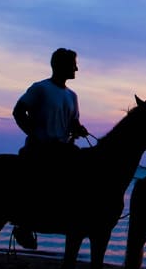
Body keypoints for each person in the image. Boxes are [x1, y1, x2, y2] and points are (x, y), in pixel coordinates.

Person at [10, 48, 89, 249]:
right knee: (37, 182)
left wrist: (78, 129)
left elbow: (72, 122)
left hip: (63, 148)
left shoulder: (73, 96)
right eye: (73, 65)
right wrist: (35, 135)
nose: (76, 69)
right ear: (60, 65)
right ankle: (24, 225)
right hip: (41, 148)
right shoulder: (40, 88)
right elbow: (19, 111)